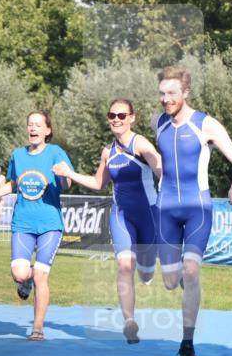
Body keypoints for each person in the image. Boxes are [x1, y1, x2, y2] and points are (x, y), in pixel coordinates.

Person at [155, 66, 232, 356]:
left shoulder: (205, 124)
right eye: (162, 93)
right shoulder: (158, 124)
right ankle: (188, 287)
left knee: (192, 271)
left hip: (198, 208)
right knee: (172, 281)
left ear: (185, 92)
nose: (166, 99)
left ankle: (187, 344)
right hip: (165, 211)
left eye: (172, 93)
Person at [53, 98, 162, 343]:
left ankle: (148, 270)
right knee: (125, 266)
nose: (116, 119)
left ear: (132, 118)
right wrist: (69, 173)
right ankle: (130, 322)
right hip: (121, 215)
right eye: (112, 115)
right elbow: (98, 183)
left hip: (149, 215)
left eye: (122, 115)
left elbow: (157, 164)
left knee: (145, 273)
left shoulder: (139, 143)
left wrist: (167, 172)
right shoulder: (107, 152)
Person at [0, 110, 72, 341]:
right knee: (20, 273)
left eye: (37, 125)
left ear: (47, 130)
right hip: (22, 224)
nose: (33, 128)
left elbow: (68, 182)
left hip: (49, 224)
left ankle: (37, 328)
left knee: (42, 276)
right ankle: (26, 282)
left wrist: (63, 174)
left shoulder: (56, 153)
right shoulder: (18, 155)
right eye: (30, 125)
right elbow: (14, 184)